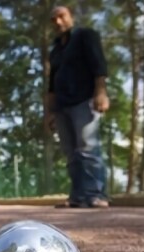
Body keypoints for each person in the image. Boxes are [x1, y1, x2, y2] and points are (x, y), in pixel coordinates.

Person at [48, 6, 110, 208]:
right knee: (71, 153)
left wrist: (100, 92)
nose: (58, 22)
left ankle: (95, 194)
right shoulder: (56, 49)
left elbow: (98, 64)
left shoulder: (85, 36)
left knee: (88, 148)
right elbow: (51, 83)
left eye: (61, 16)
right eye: (53, 19)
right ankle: (78, 196)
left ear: (71, 17)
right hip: (61, 106)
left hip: (83, 100)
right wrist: (49, 111)